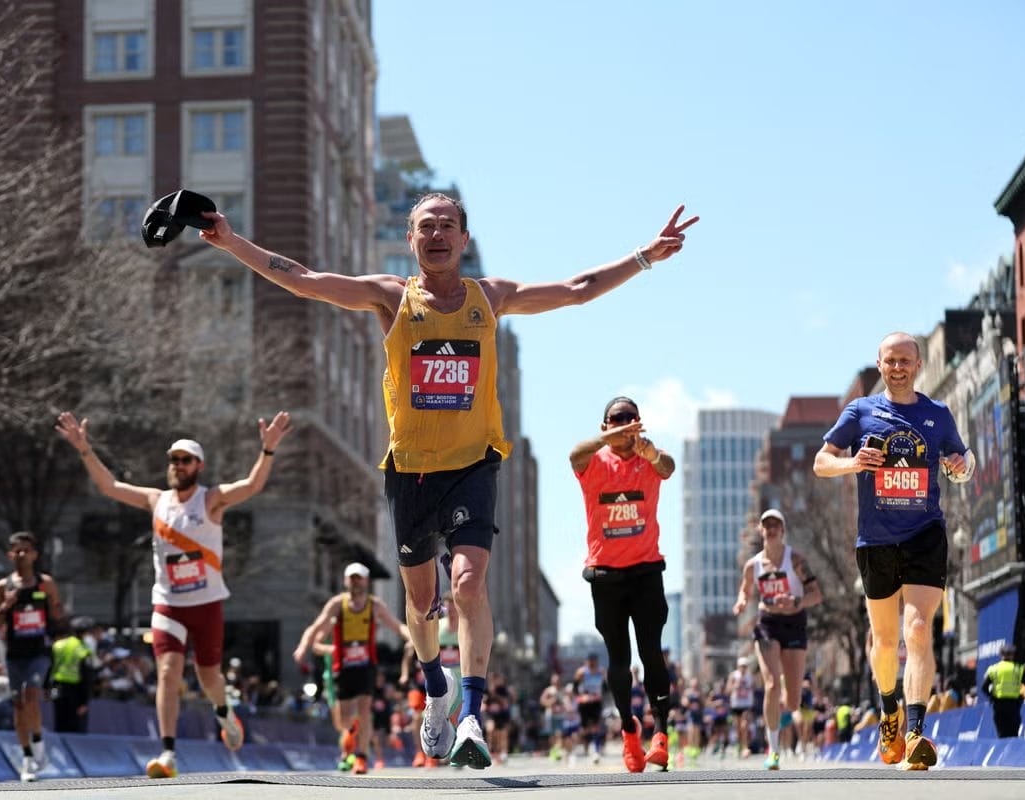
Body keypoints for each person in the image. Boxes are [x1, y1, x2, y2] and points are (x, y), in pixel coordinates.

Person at [199, 191, 698, 770]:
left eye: (447, 226)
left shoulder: (491, 297)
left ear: (464, 239)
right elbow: (304, 279)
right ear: (410, 239)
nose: (436, 234)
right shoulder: (391, 296)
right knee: (421, 602)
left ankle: (470, 717)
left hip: (473, 465)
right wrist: (230, 241)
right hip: (410, 471)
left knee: (466, 583)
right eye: (425, 226)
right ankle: (435, 686)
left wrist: (644, 256)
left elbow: (577, 288)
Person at [55, 410, 292, 778]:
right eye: (173, 460)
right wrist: (85, 449)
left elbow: (251, 485)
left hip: (206, 603)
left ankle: (224, 711)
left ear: (199, 465)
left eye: (185, 460)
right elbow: (110, 487)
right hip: (168, 603)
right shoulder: (157, 501)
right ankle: (167, 753)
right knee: (167, 672)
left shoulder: (211, 499)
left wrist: (268, 450)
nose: (178, 466)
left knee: (209, 678)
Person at [813, 331, 973, 771]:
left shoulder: (937, 414)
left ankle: (917, 732)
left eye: (906, 360)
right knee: (884, 642)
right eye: (891, 360)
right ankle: (889, 712)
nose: (898, 367)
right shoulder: (860, 411)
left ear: (919, 365)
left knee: (918, 629)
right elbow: (821, 461)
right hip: (877, 540)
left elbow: (963, 461)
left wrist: (960, 466)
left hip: (925, 533)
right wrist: (853, 463)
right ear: (880, 365)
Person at [569, 394, 676, 773]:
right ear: (605, 426)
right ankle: (630, 730)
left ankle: (660, 734)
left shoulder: (649, 457)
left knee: (651, 653)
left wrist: (650, 451)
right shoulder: (594, 460)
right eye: (617, 418)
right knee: (619, 660)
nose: (625, 423)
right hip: (606, 575)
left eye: (631, 418)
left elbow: (668, 467)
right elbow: (573, 456)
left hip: (646, 571)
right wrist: (608, 439)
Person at [292, 562, 411, 775]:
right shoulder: (338, 604)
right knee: (343, 718)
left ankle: (362, 757)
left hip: (365, 665)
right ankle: (352, 731)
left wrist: (412, 638)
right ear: (346, 581)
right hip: (343, 667)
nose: (356, 582)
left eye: (359, 578)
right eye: (352, 578)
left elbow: (397, 625)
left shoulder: (375, 605)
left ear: (366, 581)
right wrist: (303, 647)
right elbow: (316, 627)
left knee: (365, 710)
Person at [732, 509, 823, 770]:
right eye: (767, 526)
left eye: (776, 525)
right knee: (770, 683)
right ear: (761, 531)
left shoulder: (795, 560)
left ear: (783, 530)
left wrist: (796, 601)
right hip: (767, 624)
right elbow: (745, 590)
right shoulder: (753, 566)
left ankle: (785, 687)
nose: (771, 530)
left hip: (794, 624)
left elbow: (816, 594)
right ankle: (773, 750)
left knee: (792, 702)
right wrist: (741, 602)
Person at [0, 532, 63, 782]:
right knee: (18, 703)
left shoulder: (45, 583)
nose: (21, 554)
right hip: (15, 652)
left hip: (39, 651)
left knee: (31, 694)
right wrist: (5, 606)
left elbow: (58, 614)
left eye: (26, 550)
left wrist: (53, 608)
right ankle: (27, 757)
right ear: (10, 555)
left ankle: (38, 743)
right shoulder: (3, 586)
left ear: (34, 554)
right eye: (17, 550)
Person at [981, 644, 1025, 738]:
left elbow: (984, 687)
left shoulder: (994, 669)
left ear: (1001, 655)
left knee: (1002, 735)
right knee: (1013, 734)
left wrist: (992, 698)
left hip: (999, 706)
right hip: (1013, 706)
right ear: (1012, 655)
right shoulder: (1018, 669)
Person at [50, 616, 96, 733]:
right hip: (75, 691)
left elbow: (50, 667)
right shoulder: (84, 649)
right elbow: (87, 675)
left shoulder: (58, 645)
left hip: (57, 688)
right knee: (76, 726)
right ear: (85, 633)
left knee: (59, 723)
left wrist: (48, 689)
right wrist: (84, 701)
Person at [726, 657, 756, 757]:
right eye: (742, 666)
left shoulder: (750, 676)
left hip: (746, 704)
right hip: (736, 704)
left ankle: (745, 747)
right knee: (738, 728)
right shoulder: (733, 675)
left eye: (745, 666)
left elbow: (754, 687)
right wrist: (735, 686)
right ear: (738, 666)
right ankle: (739, 745)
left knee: (745, 725)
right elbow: (727, 690)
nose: (743, 668)